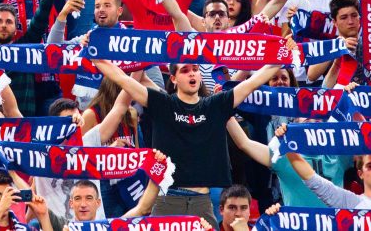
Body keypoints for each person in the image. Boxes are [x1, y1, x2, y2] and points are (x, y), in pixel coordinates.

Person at [94, 35, 297, 225]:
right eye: (184, 70)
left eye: (195, 69)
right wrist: (94, 51)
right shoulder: (162, 103)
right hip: (166, 201)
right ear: (173, 79)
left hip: (202, 202)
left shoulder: (216, 105)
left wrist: (282, 55)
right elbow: (122, 79)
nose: (192, 73)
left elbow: (253, 82)